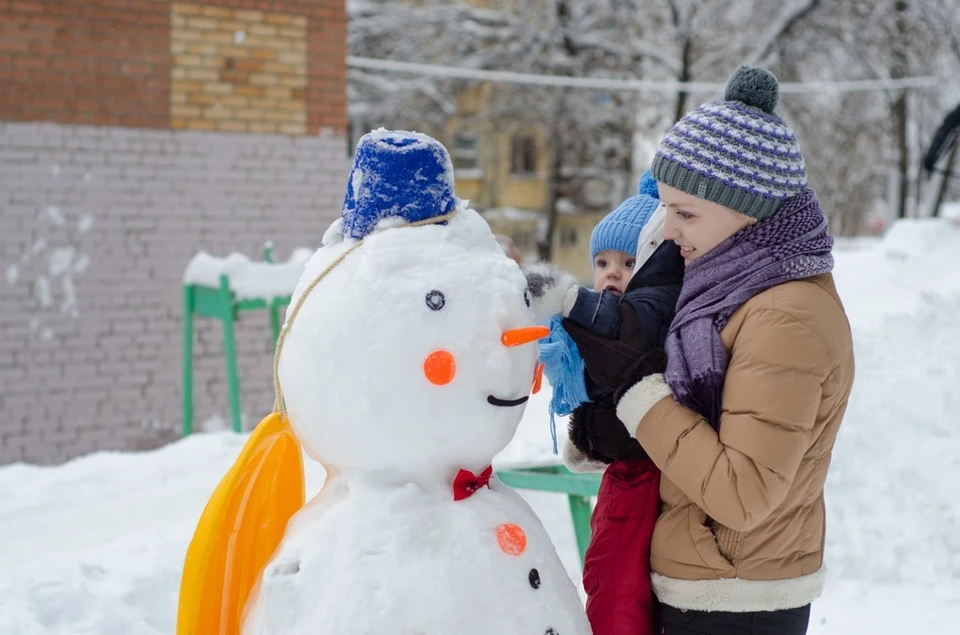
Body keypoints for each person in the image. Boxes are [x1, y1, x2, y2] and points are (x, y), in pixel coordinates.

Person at [596, 66, 855, 635]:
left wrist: (638, 392)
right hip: (713, 586)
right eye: (666, 208)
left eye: (685, 213)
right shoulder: (730, 292)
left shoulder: (785, 316)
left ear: (752, 212)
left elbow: (742, 494)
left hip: (737, 604)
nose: (667, 230)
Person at [525, 171, 684, 635]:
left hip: (639, 474)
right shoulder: (608, 316)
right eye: (602, 261)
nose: (611, 272)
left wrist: (567, 305)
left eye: (629, 261)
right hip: (626, 470)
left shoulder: (651, 309)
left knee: (612, 574)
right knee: (613, 572)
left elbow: (620, 331)